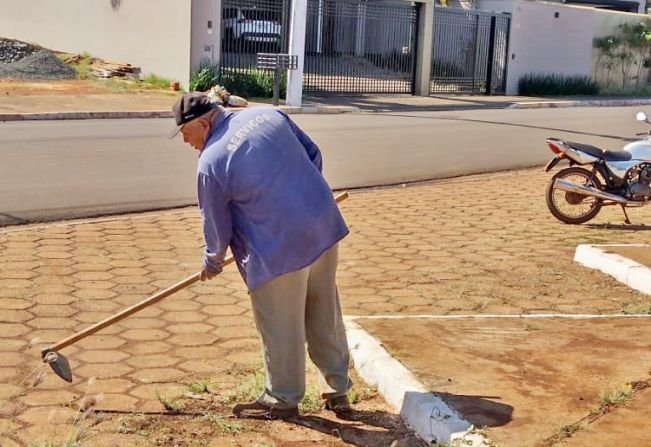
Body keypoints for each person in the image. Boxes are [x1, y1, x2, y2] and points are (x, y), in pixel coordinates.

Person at [169, 92, 353, 420]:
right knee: (324, 309)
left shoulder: (210, 162)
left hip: (276, 249)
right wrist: (303, 197)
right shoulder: (269, 115)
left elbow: (216, 225)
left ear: (202, 122)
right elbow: (313, 153)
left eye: (185, 133)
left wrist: (212, 261)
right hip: (322, 225)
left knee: (281, 325)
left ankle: (282, 398)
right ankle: (338, 389)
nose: (185, 141)